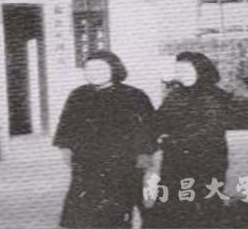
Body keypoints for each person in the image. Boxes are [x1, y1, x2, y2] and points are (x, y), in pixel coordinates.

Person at [53, 50, 157, 228]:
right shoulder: (78, 95)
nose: (94, 73)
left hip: (122, 165)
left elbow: (148, 129)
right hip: (87, 164)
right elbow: (66, 127)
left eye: (100, 69)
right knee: (82, 212)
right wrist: (67, 150)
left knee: (116, 212)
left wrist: (144, 156)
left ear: (114, 69)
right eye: (89, 69)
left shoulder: (134, 96)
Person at [142, 52, 232, 228]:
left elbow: (210, 129)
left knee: (204, 206)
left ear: (201, 70)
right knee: (172, 205)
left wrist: (173, 141)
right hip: (176, 159)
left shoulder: (214, 95)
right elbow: (158, 121)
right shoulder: (175, 95)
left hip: (207, 159)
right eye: (178, 71)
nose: (181, 74)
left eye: (186, 70)